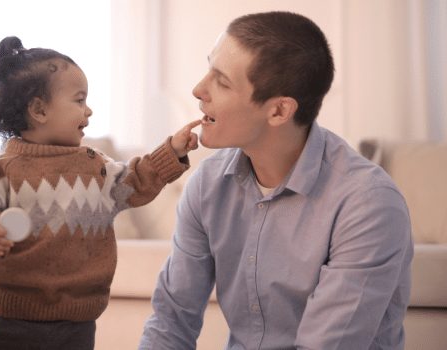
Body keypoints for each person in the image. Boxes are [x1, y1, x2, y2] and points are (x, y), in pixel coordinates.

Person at [139, 11, 413, 350]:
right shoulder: (207, 185)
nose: (198, 89)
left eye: (222, 82)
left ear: (279, 111)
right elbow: (170, 323)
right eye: (209, 69)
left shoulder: (368, 204)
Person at [0, 36, 200, 350]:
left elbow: (137, 179)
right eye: (79, 100)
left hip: (78, 323)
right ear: (39, 109)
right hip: (10, 320)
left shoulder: (94, 166)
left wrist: (171, 150)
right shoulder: (2, 170)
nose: (89, 111)